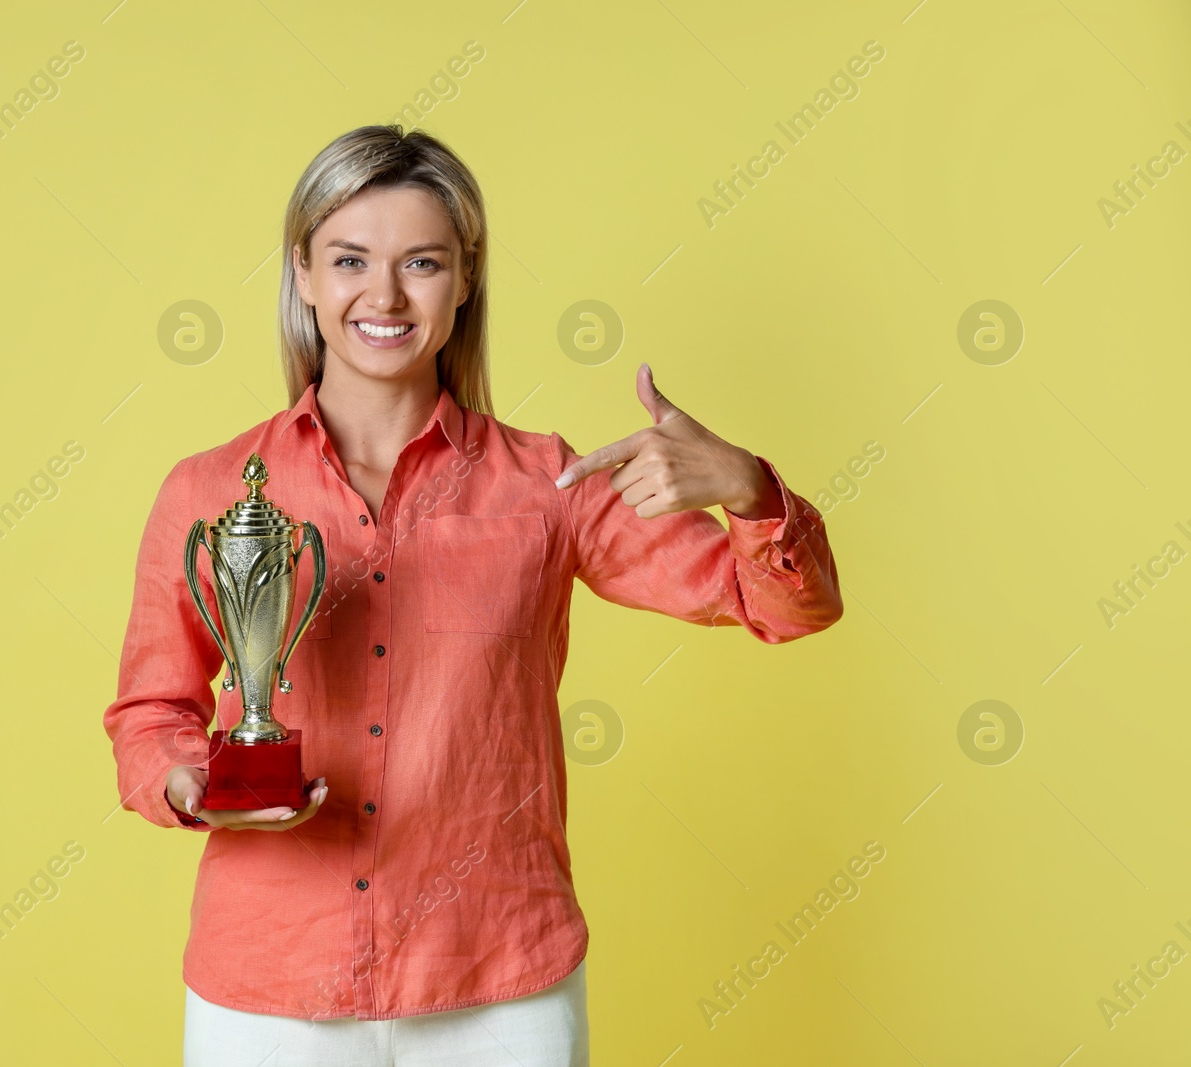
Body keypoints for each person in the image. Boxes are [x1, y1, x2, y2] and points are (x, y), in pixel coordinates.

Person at [103, 124, 843, 1067]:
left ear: (465, 279)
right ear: (303, 273)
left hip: (499, 986)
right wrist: (189, 781)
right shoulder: (208, 491)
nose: (384, 295)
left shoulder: (549, 487)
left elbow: (787, 606)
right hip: (270, 984)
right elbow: (150, 708)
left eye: (421, 262)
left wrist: (749, 488)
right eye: (350, 260)